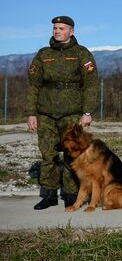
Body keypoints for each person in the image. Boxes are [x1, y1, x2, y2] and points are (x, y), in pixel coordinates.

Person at [25, 16, 99, 210]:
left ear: (71, 31)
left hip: (71, 113)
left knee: (71, 155)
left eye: (62, 28)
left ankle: (71, 194)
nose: (57, 31)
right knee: (48, 155)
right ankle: (48, 195)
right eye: (55, 28)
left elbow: (91, 85)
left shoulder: (81, 54)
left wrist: (88, 112)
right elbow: (33, 85)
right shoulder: (43, 54)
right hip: (46, 113)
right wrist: (31, 113)